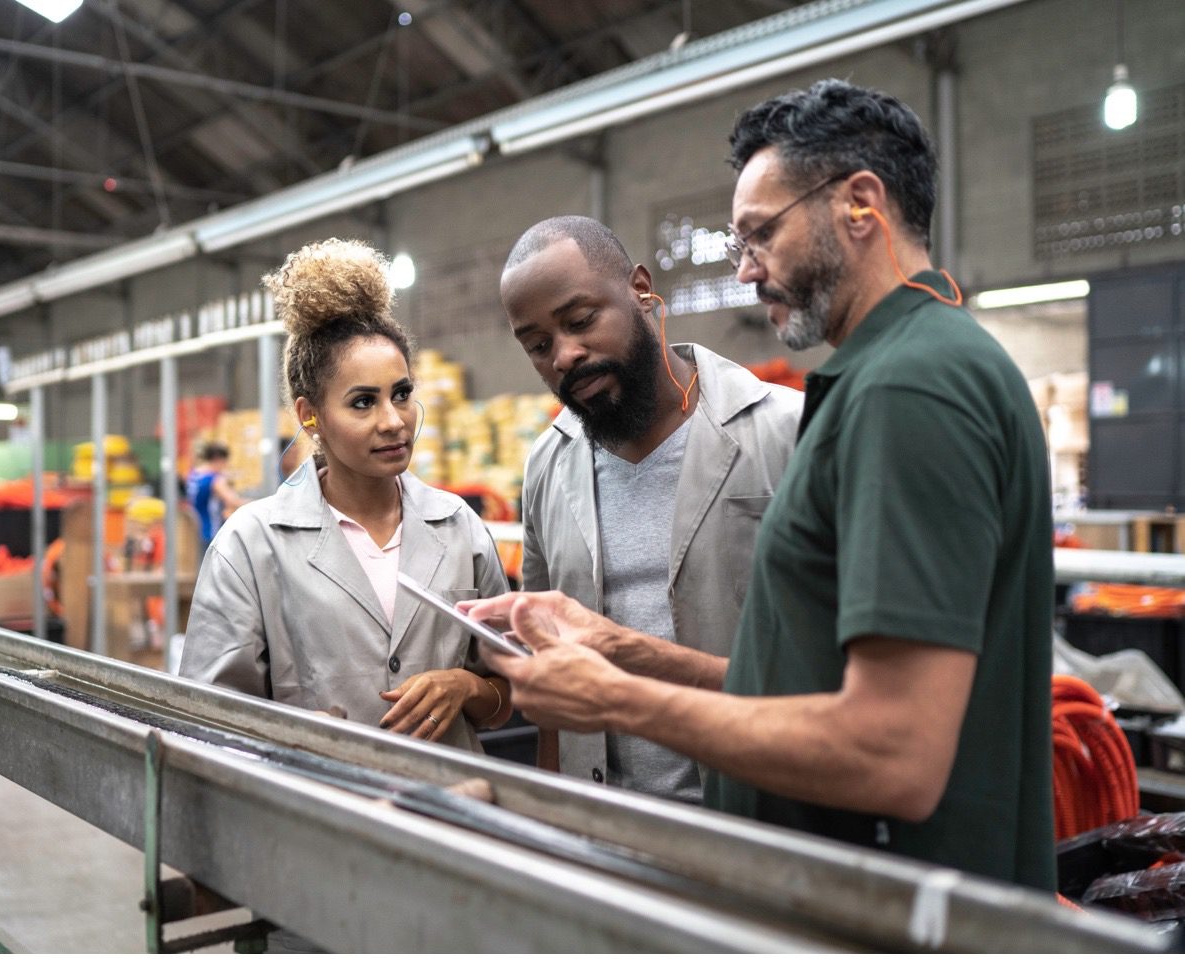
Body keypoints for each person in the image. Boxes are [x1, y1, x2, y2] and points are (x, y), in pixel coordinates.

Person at [465, 79, 1054, 890]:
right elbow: (801, 686)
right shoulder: (901, 369)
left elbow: (894, 754)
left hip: (887, 907)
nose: (745, 271)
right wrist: (618, 646)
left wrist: (618, 698)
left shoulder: (908, 389)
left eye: (761, 234)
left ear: (860, 204)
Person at [501, 215, 801, 801]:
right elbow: (549, 671)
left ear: (641, 291)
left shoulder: (786, 432)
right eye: (539, 346)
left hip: (758, 810)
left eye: (581, 321)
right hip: (608, 828)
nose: (565, 355)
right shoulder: (547, 466)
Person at [180, 238, 512, 751]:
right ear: (310, 415)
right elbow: (208, 718)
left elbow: (504, 696)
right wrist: (293, 736)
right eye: (363, 403)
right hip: (314, 814)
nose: (393, 421)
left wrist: (465, 686)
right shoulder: (250, 545)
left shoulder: (459, 528)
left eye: (401, 394)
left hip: (451, 812)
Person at [186, 442, 248, 545]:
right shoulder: (215, 480)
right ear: (218, 459)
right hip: (210, 531)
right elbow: (233, 501)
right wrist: (255, 503)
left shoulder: (195, 474)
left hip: (194, 530)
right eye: (225, 462)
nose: (226, 466)